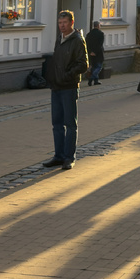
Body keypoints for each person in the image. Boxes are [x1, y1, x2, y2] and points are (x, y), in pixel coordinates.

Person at [43, 10, 88, 170]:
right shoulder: (59, 39)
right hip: (56, 86)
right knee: (56, 123)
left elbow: (83, 64)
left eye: (64, 23)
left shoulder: (77, 40)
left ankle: (69, 157)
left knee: (70, 124)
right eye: (60, 23)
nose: (61, 26)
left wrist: (67, 75)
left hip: (69, 86)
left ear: (71, 23)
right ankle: (58, 155)